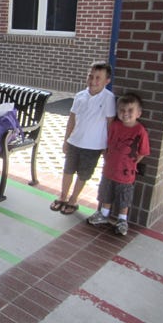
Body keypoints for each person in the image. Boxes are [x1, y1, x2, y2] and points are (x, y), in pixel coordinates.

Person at [49, 61, 116, 215]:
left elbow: (110, 125)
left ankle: (73, 199)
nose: (93, 81)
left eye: (98, 78)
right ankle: (63, 196)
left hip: (93, 146)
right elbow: (71, 119)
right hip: (74, 142)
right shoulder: (80, 96)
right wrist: (66, 140)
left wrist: (107, 147)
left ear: (107, 81)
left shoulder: (108, 98)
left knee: (84, 173)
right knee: (68, 170)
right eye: (90, 76)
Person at [87, 93, 150, 235]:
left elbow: (143, 151)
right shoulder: (115, 125)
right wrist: (106, 156)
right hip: (109, 170)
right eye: (121, 110)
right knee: (106, 193)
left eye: (130, 110)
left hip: (126, 174)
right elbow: (107, 142)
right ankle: (103, 214)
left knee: (124, 197)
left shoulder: (140, 131)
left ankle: (122, 220)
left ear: (138, 113)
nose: (125, 114)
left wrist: (131, 163)